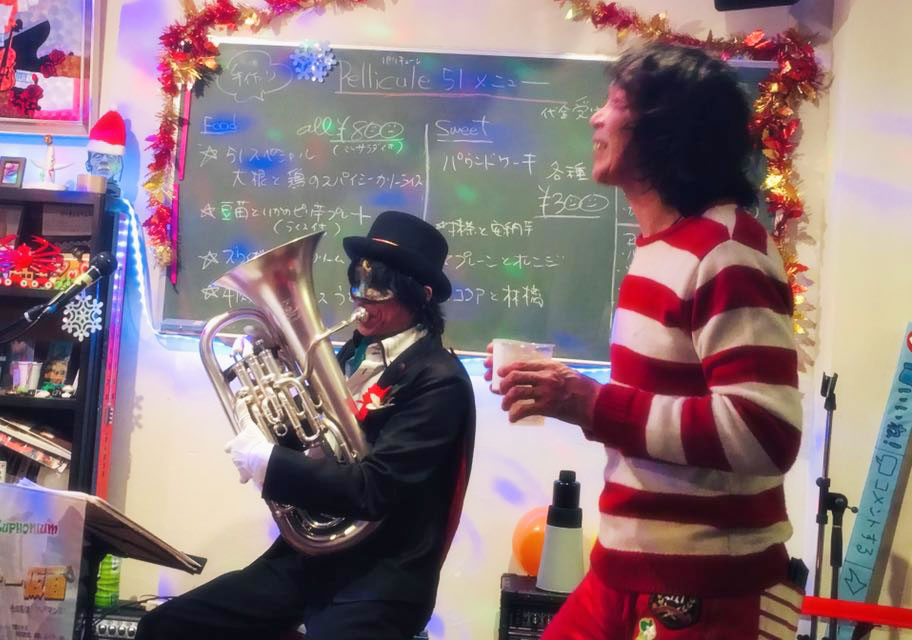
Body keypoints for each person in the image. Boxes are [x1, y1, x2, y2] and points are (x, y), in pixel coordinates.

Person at [487, 43, 805, 639]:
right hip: (625, 571)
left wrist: (590, 403)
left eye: (614, 103)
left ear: (663, 132)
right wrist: (566, 396)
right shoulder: (664, 247)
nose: (596, 118)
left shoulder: (726, 252)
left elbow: (766, 432)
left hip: (706, 593)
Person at [137, 210, 476, 640]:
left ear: (421, 296)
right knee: (163, 627)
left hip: (379, 580)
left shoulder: (439, 380)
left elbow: (374, 489)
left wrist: (270, 463)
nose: (361, 297)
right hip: (306, 563)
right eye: (357, 280)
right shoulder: (351, 354)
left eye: (379, 286)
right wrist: (262, 383)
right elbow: (312, 440)